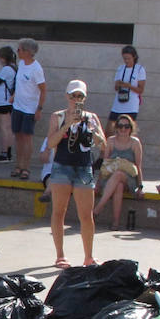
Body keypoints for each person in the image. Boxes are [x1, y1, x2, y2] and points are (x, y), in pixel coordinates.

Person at [44, 80, 104, 267]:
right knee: (59, 211)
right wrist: (66, 125)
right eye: (73, 96)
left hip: (83, 168)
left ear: (84, 98)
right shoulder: (58, 116)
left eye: (79, 96)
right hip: (62, 166)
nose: (75, 100)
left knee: (86, 214)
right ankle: (60, 255)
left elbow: (102, 143)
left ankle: (89, 256)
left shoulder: (92, 117)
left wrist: (92, 129)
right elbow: (51, 143)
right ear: (67, 96)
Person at [93, 116, 144, 231]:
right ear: (116, 128)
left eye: (126, 126)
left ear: (131, 128)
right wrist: (98, 184)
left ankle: (98, 209)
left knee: (119, 174)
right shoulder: (110, 141)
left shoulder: (135, 143)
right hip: (111, 177)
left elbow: (138, 166)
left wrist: (140, 187)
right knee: (118, 186)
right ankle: (115, 222)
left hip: (129, 178)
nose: (123, 129)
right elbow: (105, 165)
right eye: (120, 126)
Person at [9, 37, 46, 182]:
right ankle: (18, 165)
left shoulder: (36, 69)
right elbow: (19, 84)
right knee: (17, 136)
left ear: (27, 52)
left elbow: (43, 90)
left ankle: (26, 167)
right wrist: (13, 96)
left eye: (19, 49)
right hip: (17, 106)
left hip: (30, 109)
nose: (17, 51)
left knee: (27, 137)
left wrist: (39, 109)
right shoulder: (21, 64)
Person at [107, 45, 145, 134]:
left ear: (134, 57)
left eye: (128, 58)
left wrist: (129, 86)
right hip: (118, 104)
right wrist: (119, 85)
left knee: (130, 132)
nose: (126, 61)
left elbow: (140, 90)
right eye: (124, 58)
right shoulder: (120, 68)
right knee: (109, 130)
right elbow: (116, 88)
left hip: (131, 106)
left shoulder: (139, 69)